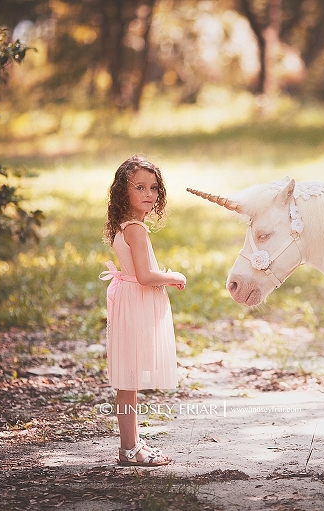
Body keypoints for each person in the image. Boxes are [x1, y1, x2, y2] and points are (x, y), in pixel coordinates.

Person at [100, 155, 186, 466]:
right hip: (135, 301)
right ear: (123, 192)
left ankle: (132, 444)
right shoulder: (135, 228)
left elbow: (137, 271)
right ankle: (129, 450)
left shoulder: (125, 226)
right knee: (129, 379)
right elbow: (146, 276)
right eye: (140, 187)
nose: (149, 194)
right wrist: (175, 276)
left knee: (129, 379)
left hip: (129, 299)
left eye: (153, 188)